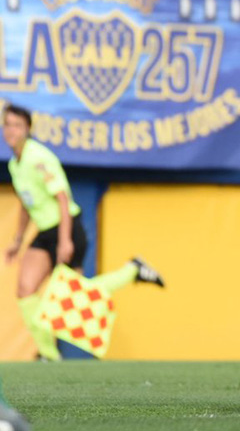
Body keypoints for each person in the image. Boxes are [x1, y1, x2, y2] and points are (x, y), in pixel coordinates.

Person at [3, 104, 165, 362]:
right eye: (7, 124)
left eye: (17, 125)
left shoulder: (39, 157)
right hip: (45, 232)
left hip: (66, 227)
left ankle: (132, 270)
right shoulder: (15, 163)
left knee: (74, 297)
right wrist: (18, 239)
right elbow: (26, 202)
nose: (11, 130)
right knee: (25, 289)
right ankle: (48, 355)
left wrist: (66, 240)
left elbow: (63, 198)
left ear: (27, 129)